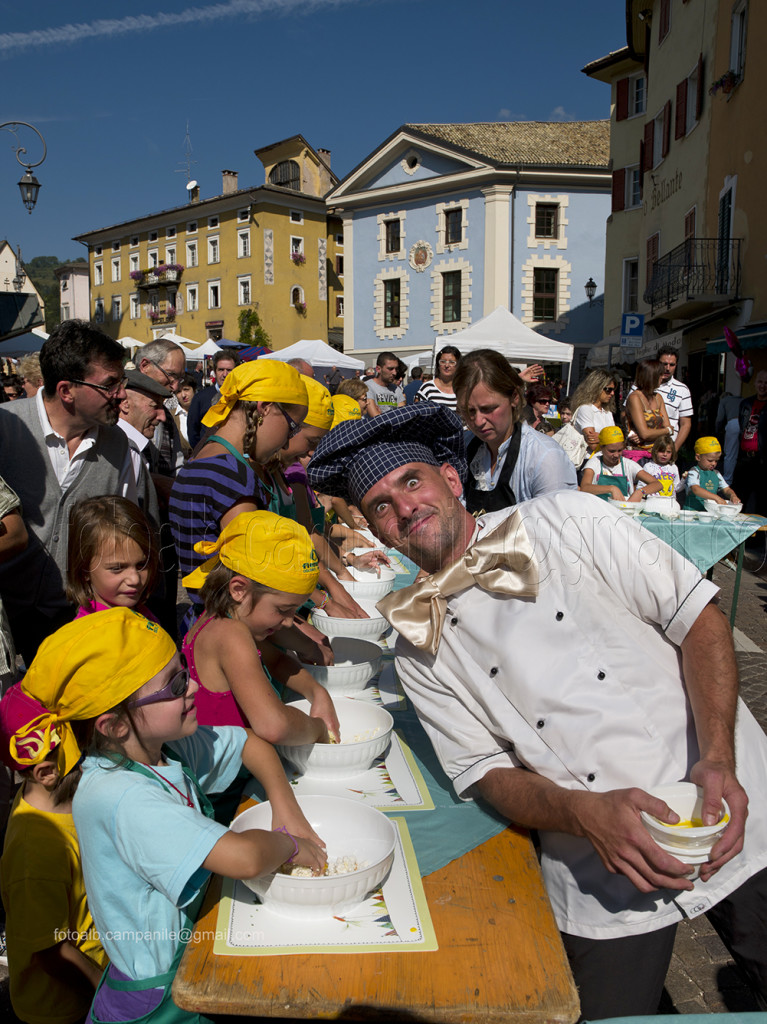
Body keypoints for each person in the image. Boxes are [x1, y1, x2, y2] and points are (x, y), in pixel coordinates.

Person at [306, 404, 767, 1020]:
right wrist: (585, 814)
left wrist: (717, 757)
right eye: (381, 507)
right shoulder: (416, 643)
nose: (404, 508)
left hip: (726, 793)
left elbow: (700, 621)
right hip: (596, 856)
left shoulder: (567, 519)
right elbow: (486, 773)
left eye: (410, 481)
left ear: (450, 477)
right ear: (378, 532)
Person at [15, 608, 326, 1024]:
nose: (194, 686)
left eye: (184, 672)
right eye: (177, 684)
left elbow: (250, 744)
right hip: (158, 998)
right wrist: (290, 844)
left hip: (187, 962)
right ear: (114, 725)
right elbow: (244, 859)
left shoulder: (161, 750)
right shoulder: (121, 796)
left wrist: (284, 804)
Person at [0, 320, 135, 664]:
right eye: (110, 385)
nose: (122, 394)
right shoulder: (5, 428)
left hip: (72, 621)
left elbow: (122, 531)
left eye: (122, 381)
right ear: (66, 390)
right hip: (4, 618)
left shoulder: (117, 443)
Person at [0, 684, 108, 1024]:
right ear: (48, 772)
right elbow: (52, 952)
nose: (95, 752)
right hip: (65, 1007)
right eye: (85, 748)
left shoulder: (57, 799)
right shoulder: (37, 851)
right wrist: (107, 998)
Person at [182, 511, 338, 742]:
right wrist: (319, 729)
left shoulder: (227, 619)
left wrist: (317, 692)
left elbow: (275, 661)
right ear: (239, 590)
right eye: (283, 610)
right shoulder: (230, 634)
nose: (288, 622)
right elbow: (273, 726)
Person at [169, 360, 308, 612]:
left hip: (205, 619)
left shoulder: (200, 458)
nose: (288, 441)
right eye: (292, 426)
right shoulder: (233, 475)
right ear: (264, 408)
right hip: (230, 624)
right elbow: (250, 585)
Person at [454, 348, 576, 514]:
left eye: (488, 408)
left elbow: (555, 530)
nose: (478, 421)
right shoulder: (462, 447)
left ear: (514, 397)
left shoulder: (545, 458)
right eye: (469, 411)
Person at [66, 496, 159, 620]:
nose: (134, 579)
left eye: (141, 565)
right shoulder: (89, 634)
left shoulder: (143, 615)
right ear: (84, 570)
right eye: (117, 568)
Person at [117, 369, 169, 521]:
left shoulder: (135, 448)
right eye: (154, 406)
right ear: (125, 404)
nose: (162, 416)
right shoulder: (121, 450)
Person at [628, 348, 693, 450]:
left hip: (665, 448)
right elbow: (626, 414)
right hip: (640, 449)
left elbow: (685, 424)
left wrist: (674, 449)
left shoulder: (681, 389)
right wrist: (632, 432)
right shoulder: (636, 390)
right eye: (664, 364)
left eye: (672, 365)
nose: (667, 368)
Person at [579, 426, 663, 502]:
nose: (616, 455)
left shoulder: (629, 465)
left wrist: (640, 492)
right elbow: (585, 487)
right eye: (611, 451)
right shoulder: (594, 463)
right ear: (601, 448)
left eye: (619, 450)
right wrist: (611, 488)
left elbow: (657, 484)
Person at [186, 351, 238, 449]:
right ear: (215, 371)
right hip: (206, 456)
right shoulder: (200, 398)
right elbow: (193, 431)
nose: (225, 374)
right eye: (221, 370)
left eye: (229, 370)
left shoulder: (241, 398)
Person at [733, 369, 767, 516]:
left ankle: (759, 538)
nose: (763, 386)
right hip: (744, 459)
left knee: (762, 505)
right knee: (738, 501)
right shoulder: (746, 403)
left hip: (762, 461)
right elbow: (742, 426)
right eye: (760, 382)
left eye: (766, 383)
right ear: (755, 383)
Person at [625, 359, 671, 457]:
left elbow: (668, 427)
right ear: (651, 376)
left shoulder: (658, 397)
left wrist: (649, 434)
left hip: (657, 453)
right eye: (660, 374)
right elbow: (645, 434)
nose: (663, 377)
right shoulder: (635, 397)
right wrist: (667, 430)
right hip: (638, 455)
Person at [685, 437, 741, 510]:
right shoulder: (694, 472)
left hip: (709, 512)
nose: (714, 464)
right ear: (698, 457)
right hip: (693, 511)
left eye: (716, 461)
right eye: (710, 460)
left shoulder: (716, 474)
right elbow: (696, 489)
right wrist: (716, 497)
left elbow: (726, 489)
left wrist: (732, 495)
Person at [570, 370, 618, 452]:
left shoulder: (607, 412)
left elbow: (617, 443)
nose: (612, 393)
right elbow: (593, 445)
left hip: (607, 459)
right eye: (608, 390)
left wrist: (601, 437)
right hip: (589, 459)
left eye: (613, 390)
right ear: (597, 388)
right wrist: (611, 439)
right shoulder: (585, 409)